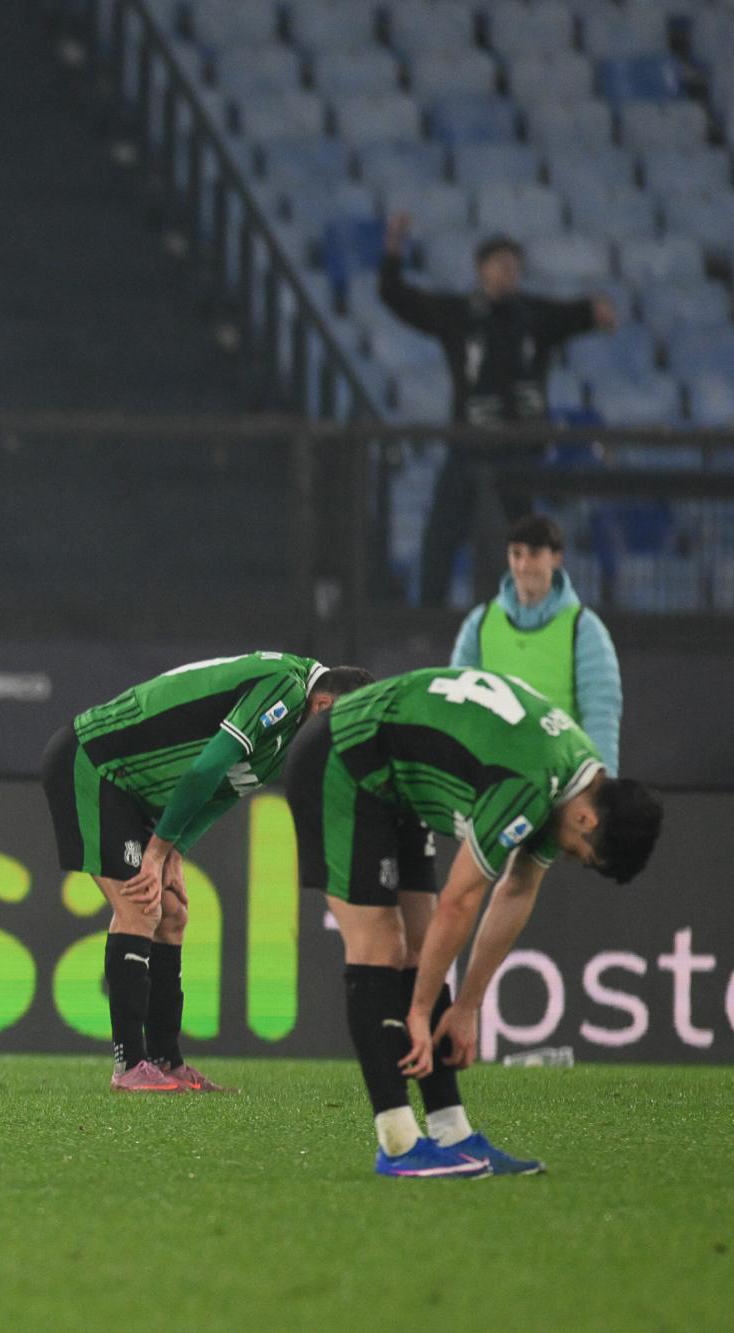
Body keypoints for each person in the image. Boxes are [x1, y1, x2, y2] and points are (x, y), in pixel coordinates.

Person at [285, 666, 662, 1179]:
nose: (573, 859)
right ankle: (398, 1144)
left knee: (422, 950)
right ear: (587, 820)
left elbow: (517, 889)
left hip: (399, 781)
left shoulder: (576, 779)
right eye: (585, 856)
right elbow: (460, 902)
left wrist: (466, 1007)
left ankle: (451, 1133)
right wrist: (419, 1011)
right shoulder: (530, 782)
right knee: (380, 946)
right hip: (342, 762)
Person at [40, 653, 372, 1092]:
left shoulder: (292, 729)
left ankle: (166, 1059)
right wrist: (157, 850)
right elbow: (207, 766)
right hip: (93, 765)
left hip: (130, 788)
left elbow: (226, 788)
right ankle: (128, 1066)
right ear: (325, 706)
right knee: (141, 907)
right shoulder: (284, 688)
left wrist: (175, 848)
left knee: (172, 914)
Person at [379, 215, 618, 607]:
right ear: (481, 269)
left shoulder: (531, 315)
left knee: (521, 543)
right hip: (470, 446)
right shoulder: (457, 314)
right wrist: (393, 248)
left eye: (514, 266)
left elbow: (576, 314)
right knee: (441, 536)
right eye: (501, 264)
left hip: (519, 452)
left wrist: (597, 313)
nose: (509, 272)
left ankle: (528, 617)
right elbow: (397, 296)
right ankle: (427, 620)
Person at [451, 513, 621, 771]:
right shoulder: (480, 624)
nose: (523, 565)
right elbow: (459, 704)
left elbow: (600, 716)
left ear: (556, 557)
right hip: (493, 779)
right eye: (516, 554)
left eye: (534, 553)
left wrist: (601, 788)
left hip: (560, 778)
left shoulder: (584, 629)